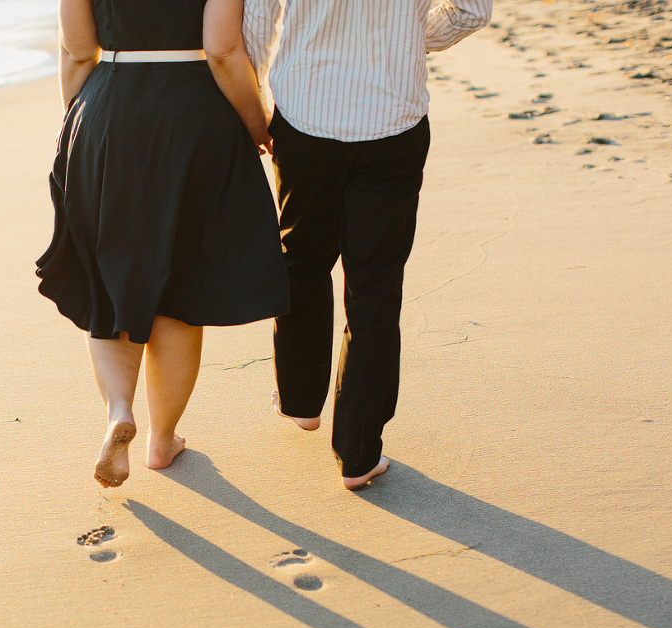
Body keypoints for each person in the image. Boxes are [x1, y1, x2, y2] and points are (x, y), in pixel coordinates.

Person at [37, 0, 289, 488]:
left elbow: (78, 53)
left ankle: (118, 411)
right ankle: (161, 440)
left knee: (109, 282)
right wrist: (257, 124)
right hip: (194, 112)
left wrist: (74, 117)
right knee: (179, 291)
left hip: (109, 107)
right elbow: (222, 50)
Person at [245, 0, 492, 489]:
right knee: (375, 286)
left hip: (305, 113)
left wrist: (252, 110)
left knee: (301, 259)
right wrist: (406, 37)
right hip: (392, 119)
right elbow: (471, 10)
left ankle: (299, 401)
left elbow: (254, 24)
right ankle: (358, 453)